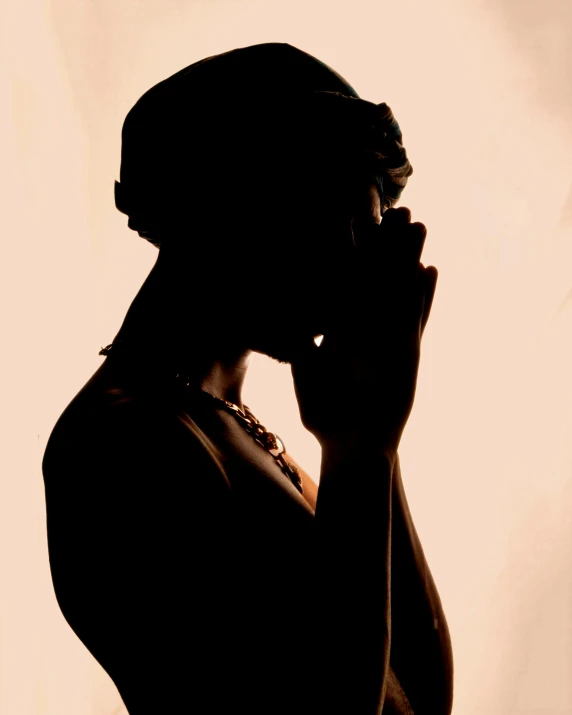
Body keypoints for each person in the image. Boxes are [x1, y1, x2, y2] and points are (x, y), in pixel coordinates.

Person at [42, 42, 453, 714]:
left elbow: (419, 701)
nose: (357, 267)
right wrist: (361, 451)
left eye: (369, 232)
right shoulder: (124, 444)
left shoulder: (236, 424)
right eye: (342, 225)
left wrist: (375, 444)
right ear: (237, 202)